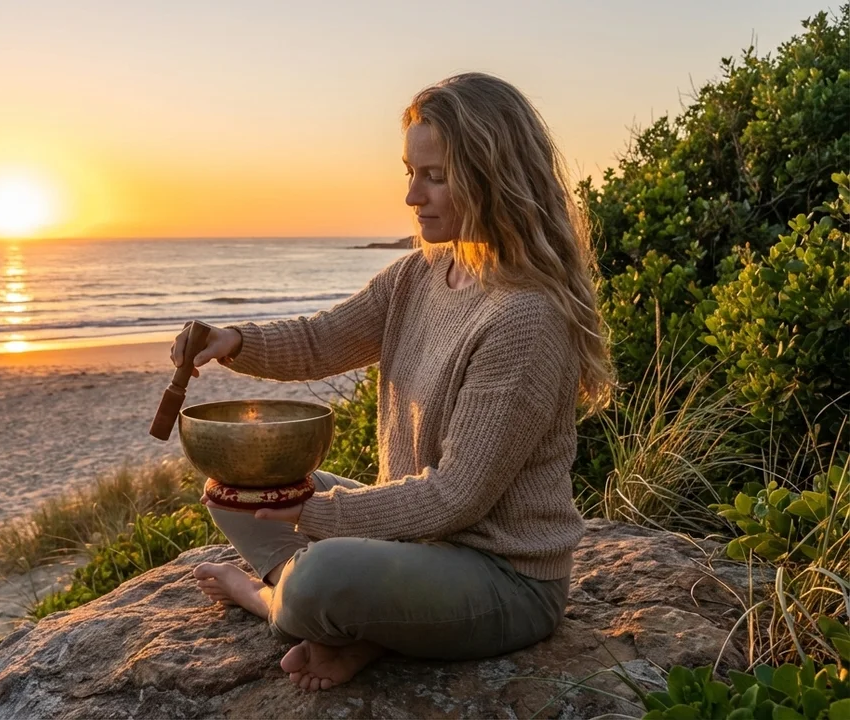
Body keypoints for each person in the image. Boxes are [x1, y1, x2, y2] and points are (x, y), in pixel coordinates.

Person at [168, 72, 614, 692]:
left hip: (502, 579)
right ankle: (364, 627)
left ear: (493, 176)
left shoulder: (524, 318)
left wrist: (312, 515)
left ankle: (271, 600)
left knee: (321, 573)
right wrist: (234, 342)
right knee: (237, 489)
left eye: (434, 176)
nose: (411, 195)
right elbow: (325, 338)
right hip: (417, 548)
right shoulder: (423, 274)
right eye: (410, 171)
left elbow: (456, 496)